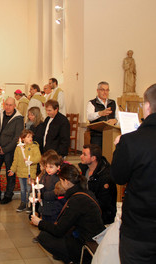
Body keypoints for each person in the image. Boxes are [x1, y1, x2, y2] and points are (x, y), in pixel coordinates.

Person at [111, 84, 156, 264]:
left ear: (146, 106)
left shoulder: (131, 141)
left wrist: (119, 148)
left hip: (140, 231)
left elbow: (118, 177)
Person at [31, 164, 105, 264]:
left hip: (86, 243)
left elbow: (59, 230)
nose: (60, 184)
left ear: (66, 182)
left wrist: (39, 222)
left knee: (44, 237)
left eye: (61, 181)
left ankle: (72, 260)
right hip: (94, 238)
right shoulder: (85, 192)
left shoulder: (76, 200)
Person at [0, 97, 24, 204]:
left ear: (14, 106)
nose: (8, 107)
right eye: (6, 104)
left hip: (10, 150)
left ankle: (8, 194)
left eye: (10, 105)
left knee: (10, 172)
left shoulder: (18, 119)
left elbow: (16, 137)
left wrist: (5, 149)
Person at [78, 144, 117, 225]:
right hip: (88, 212)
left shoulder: (105, 176)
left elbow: (104, 203)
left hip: (102, 217)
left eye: (84, 154)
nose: (81, 156)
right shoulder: (85, 169)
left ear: (93, 158)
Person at [9, 129, 41, 212]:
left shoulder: (34, 147)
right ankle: (23, 203)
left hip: (30, 172)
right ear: (23, 138)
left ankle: (30, 204)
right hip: (21, 172)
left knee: (29, 189)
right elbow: (15, 160)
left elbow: (38, 158)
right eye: (28, 137)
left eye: (31, 136)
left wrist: (31, 160)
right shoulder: (19, 148)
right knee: (22, 189)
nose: (30, 138)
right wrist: (12, 170)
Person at [87, 81, 118, 148]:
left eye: (107, 90)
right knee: (97, 156)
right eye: (103, 90)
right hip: (97, 136)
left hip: (111, 134)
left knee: (109, 156)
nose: (105, 92)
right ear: (97, 91)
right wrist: (100, 113)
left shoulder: (113, 103)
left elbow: (118, 117)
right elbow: (89, 116)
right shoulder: (92, 103)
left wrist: (115, 120)